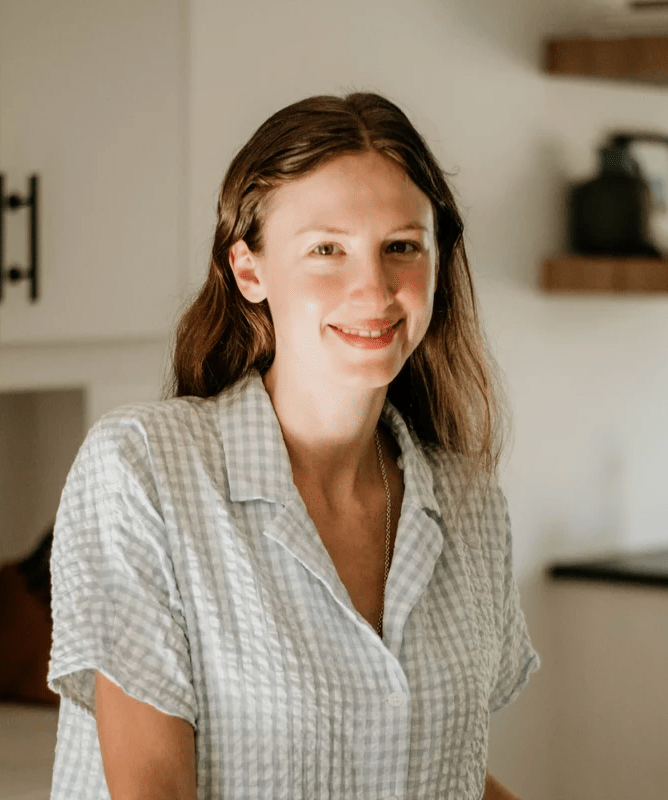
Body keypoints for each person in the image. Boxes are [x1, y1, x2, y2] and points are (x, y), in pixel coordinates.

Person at [47, 92, 539, 800]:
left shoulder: (468, 503)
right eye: (326, 250)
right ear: (249, 271)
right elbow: (152, 789)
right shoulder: (143, 471)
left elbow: (438, 767)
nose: (373, 289)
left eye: (401, 247)